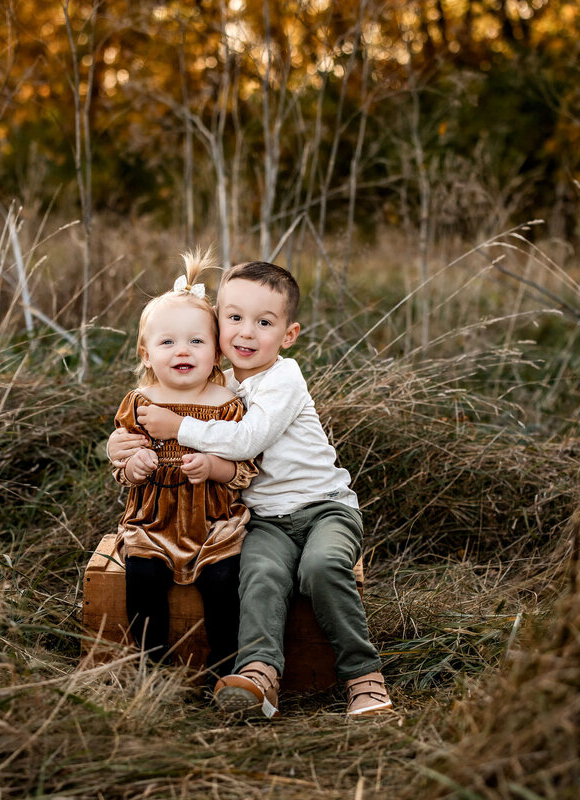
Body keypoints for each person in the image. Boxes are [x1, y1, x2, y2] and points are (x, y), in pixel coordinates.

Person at [109, 261, 392, 718]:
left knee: (321, 568)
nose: (246, 332)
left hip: (324, 508)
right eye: (234, 319)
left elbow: (248, 440)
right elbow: (147, 414)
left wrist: (179, 426)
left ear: (288, 334)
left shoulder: (283, 378)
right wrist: (119, 444)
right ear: (217, 324)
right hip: (264, 521)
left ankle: (363, 676)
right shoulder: (220, 385)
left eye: (264, 322)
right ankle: (259, 676)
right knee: (258, 577)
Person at [110, 250, 257, 678]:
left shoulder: (227, 404)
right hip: (152, 522)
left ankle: (223, 665)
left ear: (216, 353)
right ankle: (152, 666)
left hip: (213, 522)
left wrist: (214, 467)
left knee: (223, 582)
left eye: (197, 341)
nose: (183, 351)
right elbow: (123, 459)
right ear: (146, 353)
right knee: (142, 579)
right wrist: (133, 466)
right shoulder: (140, 402)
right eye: (168, 342)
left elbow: (246, 468)